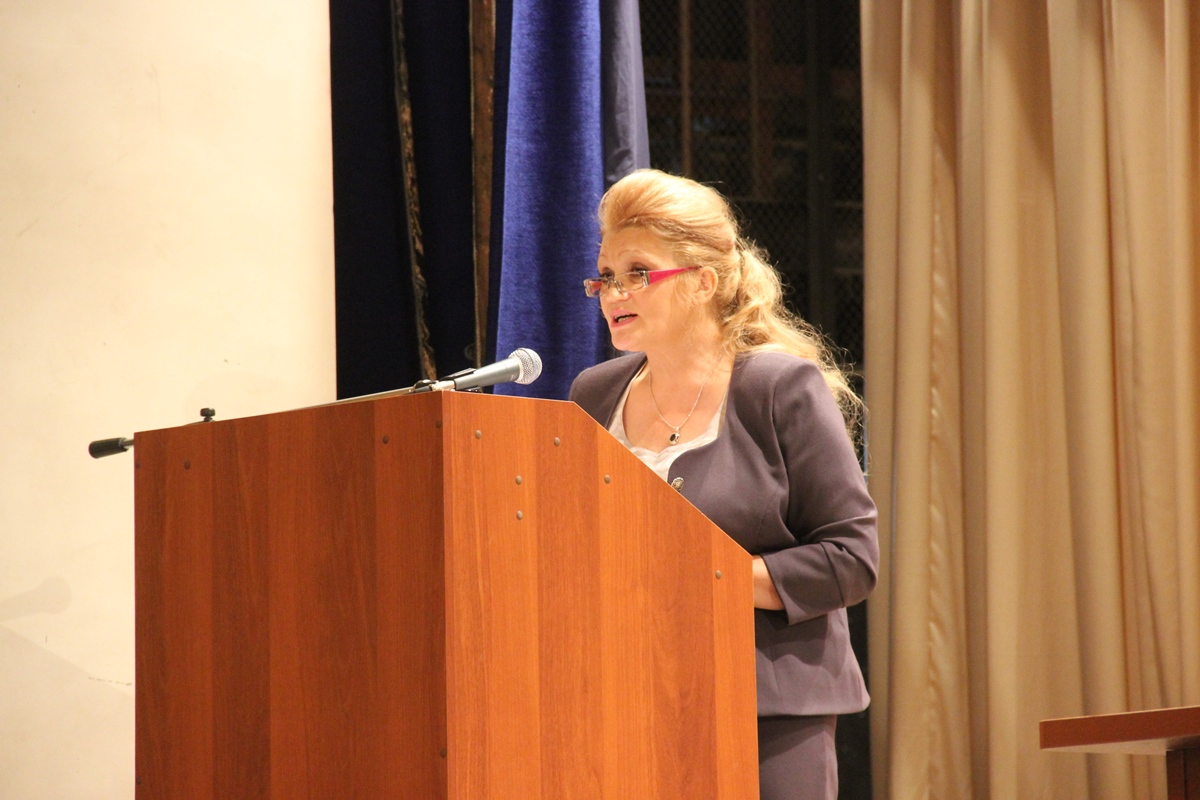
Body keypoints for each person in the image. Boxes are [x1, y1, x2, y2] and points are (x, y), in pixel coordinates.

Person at [569, 169, 879, 800]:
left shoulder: (780, 388)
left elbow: (851, 559)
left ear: (704, 281)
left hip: (767, 711)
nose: (613, 293)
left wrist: (701, 576)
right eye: (605, 276)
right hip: (622, 697)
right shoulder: (593, 395)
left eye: (638, 273)